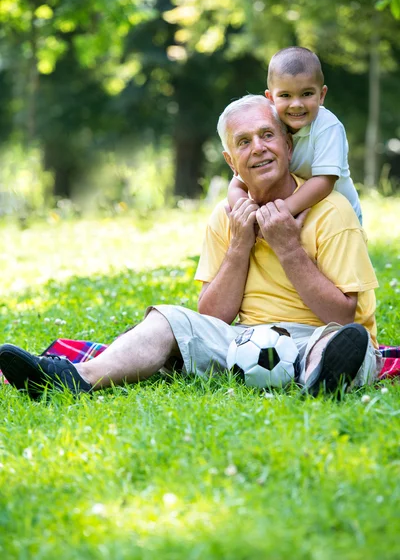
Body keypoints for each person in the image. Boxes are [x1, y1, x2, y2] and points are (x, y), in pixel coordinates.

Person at [0, 95, 381, 399]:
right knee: (169, 319)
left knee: (347, 344)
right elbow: (213, 317)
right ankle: (74, 378)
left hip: (322, 335)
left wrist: (288, 248)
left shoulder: (331, 210)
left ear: (287, 142)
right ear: (231, 161)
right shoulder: (227, 215)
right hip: (248, 343)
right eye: (244, 142)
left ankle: (322, 378)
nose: (259, 149)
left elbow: (344, 316)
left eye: (267, 135)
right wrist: (239, 245)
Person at [228, 47, 362, 223]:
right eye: (285, 95)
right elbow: (236, 184)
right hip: (299, 213)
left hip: (338, 217)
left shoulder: (327, 126)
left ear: (321, 95)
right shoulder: (269, 128)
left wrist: (282, 210)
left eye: (307, 94)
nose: (296, 104)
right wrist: (246, 212)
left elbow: (324, 181)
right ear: (270, 98)